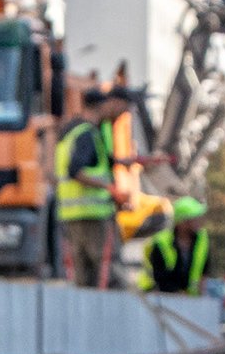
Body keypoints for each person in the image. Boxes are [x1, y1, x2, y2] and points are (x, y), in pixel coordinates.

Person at [55, 86, 132, 289]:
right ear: (104, 105)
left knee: (82, 276)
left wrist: (122, 162)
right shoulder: (87, 134)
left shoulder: (71, 131)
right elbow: (76, 170)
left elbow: (93, 164)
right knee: (105, 270)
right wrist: (110, 188)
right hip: (93, 216)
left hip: (71, 214)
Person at [139, 196, 210, 295]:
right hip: (157, 295)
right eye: (194, 218)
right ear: (182, 222)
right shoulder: (161, 243)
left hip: (188, 298)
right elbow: (159, 276)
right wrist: (178, 294)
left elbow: (204, 271)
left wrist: (200, 296)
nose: (199, 222)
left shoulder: (201, 239)